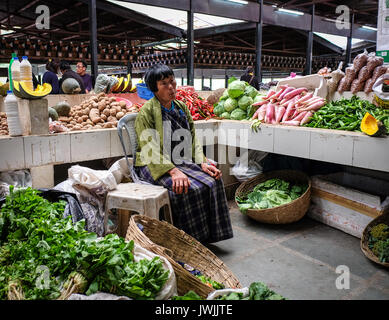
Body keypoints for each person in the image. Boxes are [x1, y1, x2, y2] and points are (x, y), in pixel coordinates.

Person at [134, 64, 233, 244]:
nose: (171, 87)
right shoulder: (146, 112)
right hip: (152, 164)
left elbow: (193, 139)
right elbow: (149, 148)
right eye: (164, 84)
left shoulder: (181, 107)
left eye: (172, 81)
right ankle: (186, 243)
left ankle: (208, 237)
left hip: (179, 159)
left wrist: (202, 161)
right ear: (154, 88)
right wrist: (172, 171)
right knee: (186, 188)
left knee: (214, 180)